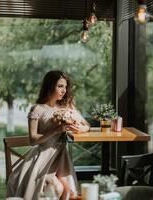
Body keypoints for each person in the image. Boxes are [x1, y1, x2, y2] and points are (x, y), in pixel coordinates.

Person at [6, 70, 90, 199]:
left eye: (65, 87)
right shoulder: (37, 109)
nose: (64, 90)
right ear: (50, 86)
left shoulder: (67, 107)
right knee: (58, 188)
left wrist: (80, 129)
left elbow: (87, 125)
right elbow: (33, 140)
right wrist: (56, 130)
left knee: (70, 193)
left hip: (61, 158)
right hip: (42, 158)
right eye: (60, 86)